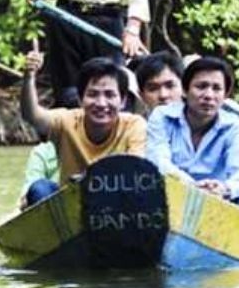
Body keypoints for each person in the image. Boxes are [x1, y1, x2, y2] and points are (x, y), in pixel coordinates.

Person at [20, 51, 147, 207]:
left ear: (122, 101)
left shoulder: (134, 125)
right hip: (73, 205)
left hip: (116, 205)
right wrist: (29, 77)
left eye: (109, 95)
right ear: (80, 99)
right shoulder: (67, 121)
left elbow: (135, 168)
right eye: (93, 94)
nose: (101, 103)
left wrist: (90, 180)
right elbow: (32, 116)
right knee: (39, 189)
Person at [146, 56, 239, 212]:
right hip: (173, 189)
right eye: (201, 87)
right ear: (185, 91)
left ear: (225, 95)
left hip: (217, 196)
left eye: (216, 88)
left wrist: (224, 188)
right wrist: (191, 186)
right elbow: (158, 161)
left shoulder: (234, 127)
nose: (208, 95)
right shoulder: (162, 116)